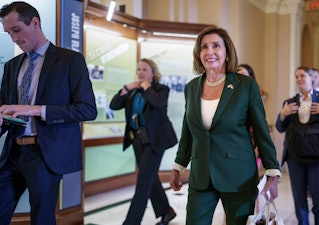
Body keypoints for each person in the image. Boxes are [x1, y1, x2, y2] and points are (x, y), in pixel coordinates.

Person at [169, 26, 281, 225]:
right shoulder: (192, 88)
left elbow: (262, 130)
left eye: (216, 46)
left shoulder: (245, 85)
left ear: (227, 52)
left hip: (238, 175)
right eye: (204, 47)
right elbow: (188, 131)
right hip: (201, 174)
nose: (209, 51)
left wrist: (272, 172)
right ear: (198, 54)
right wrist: (178, 166)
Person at [0, 2, 97, 225]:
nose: (13, 38)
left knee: (42, 219)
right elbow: (6, 108)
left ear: (35, 22)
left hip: (44, 155)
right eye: (8, 33)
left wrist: (34, 109)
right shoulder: (12, 66)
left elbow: (87, 109)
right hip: (12, 152)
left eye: (16, 30)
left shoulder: (70, 60)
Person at [110, 58, 178, 225]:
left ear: (153, 73)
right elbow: (114, 105)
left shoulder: (161, 89)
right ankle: (166, 211)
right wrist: (127, 88)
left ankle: (131, 222)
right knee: (149, 177)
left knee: (143, 181)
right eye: (138, 69)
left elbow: (158, 103)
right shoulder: (133, 92)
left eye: (144, 69)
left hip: (156, 140)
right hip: (138, 140)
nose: (140, 72)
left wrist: (147, 87)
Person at [276, 66, 319, 225]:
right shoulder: (290, 102)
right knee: (298, 195)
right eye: (297, 76)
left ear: (312, 78)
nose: (299, 79)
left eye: (303, 76)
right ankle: (302, 222)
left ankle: (318, 218)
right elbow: (280, 128)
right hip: (295, 155)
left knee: (318, 194)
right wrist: (282, 115)